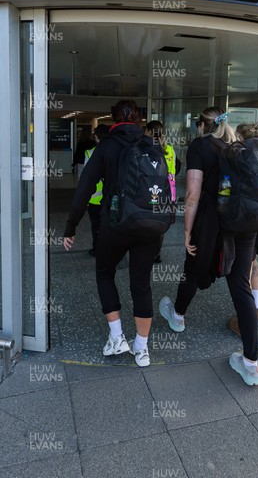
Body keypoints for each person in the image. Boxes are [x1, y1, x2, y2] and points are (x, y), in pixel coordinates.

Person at [159, 107, 258, 386]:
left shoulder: (199, 146)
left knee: (192, 266)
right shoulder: (236, 145)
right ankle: (252, 364)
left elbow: (193, 193)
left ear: (200, 125)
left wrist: (187, 231)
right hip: (244, 222)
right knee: (240, 285)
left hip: (212, 221)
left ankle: (178, 316)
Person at [63, 100, 161, 367]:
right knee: (141, 283)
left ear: (113, 119)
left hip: (115, 223)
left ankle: (117, 338)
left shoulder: (105, 146)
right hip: (149, 224)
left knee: (105, 272)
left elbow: (85, 187)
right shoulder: (153, 145)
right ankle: (141, 349)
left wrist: (71, 225)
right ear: (140, 119)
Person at [228, 122, 258, 337]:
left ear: (240, 135)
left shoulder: (242, 154)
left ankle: (245, 316)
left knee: (244, 267)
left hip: (249, 217)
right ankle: (255, 307)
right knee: (255, 262)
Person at [145, 120, 178, 264]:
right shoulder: (169, 149)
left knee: (147, 220)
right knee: (160, 223)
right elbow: (173, 172)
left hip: (150, 190)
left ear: (149, 132)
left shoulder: (146, 149)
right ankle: (156, 254)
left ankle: (147, 251)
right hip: (167, 191)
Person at [84, 124, 109, 257]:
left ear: (96, 137)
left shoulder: (89, 153)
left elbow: (86, 179)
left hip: (94, 198)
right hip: (110, 198)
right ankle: (108, 249)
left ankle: (96, 248)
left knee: (96, 225)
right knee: (109, 225)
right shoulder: (116, 151)